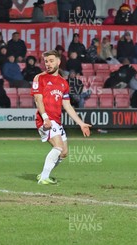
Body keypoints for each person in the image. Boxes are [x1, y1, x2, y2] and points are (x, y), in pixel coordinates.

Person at [31, 50, 92, 185]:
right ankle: (44, 178)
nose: (48, 64)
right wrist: (46, 118)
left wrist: (81, 123)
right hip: (44, 120)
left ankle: (43, 174)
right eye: (46, 61)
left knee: (63, 153)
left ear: (58, 62)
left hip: (57, 122)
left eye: (51, 61)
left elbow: (67, 106)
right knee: (58, 147)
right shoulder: (39, 78)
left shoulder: (63, 83)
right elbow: (38, 100)